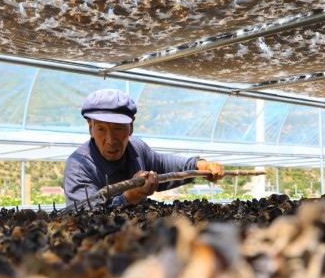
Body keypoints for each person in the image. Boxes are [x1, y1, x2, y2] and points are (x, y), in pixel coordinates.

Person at [63, 89, 224, 208]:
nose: (110, 140)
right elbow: (87, 218)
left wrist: (200, 165)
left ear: (131, 126)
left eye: (118, 128)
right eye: (101, 129)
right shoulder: (79, 167)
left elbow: (164, 165)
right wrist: (130, 197)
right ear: (90, 127)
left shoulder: (137, 149)